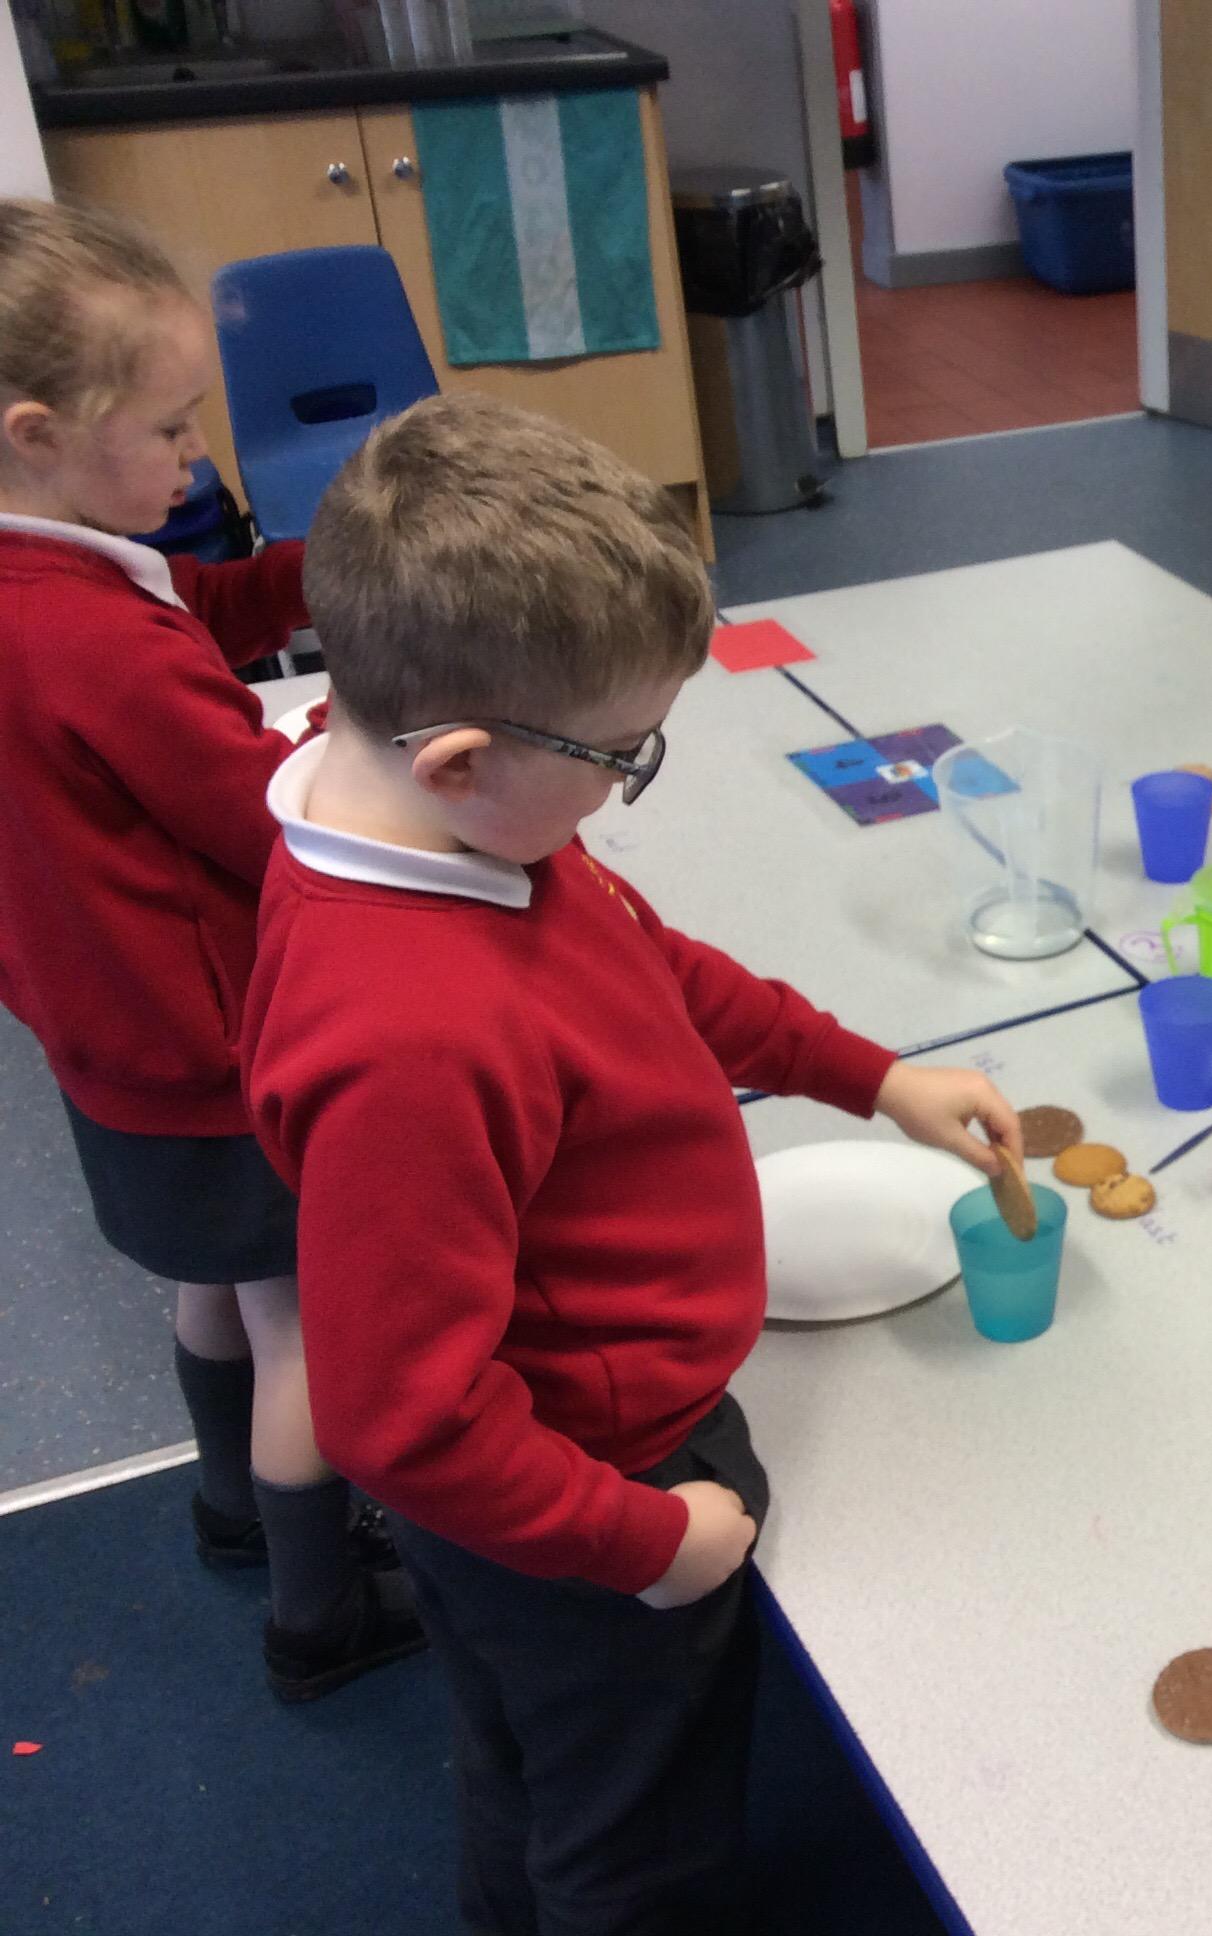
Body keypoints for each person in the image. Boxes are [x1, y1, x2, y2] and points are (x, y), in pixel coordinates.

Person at [241, 393, 1021, 1931]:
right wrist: (647, 1542)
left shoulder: (459, 828)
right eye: (618, 754)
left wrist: (868, 1075)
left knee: (526, 1764)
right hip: (583, 1489)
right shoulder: (410, 1033)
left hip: (566, 1473)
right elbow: (399, 1418)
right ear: (460, 757)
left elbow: (652, 966)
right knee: (634, 1842)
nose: (623, 783)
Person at [0, 197, 418, 1696]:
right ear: (40, 433)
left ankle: (232, 1507)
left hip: (109, 1048)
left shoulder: (56, 577)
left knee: (211, 1278)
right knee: (304, 1323)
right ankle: (322, 1612)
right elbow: (263, 818)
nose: (199, 459)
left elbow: (204, 605)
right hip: (217, 1048)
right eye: (174, 428)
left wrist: (324, 564)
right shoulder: (89, 641)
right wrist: (383, 777)